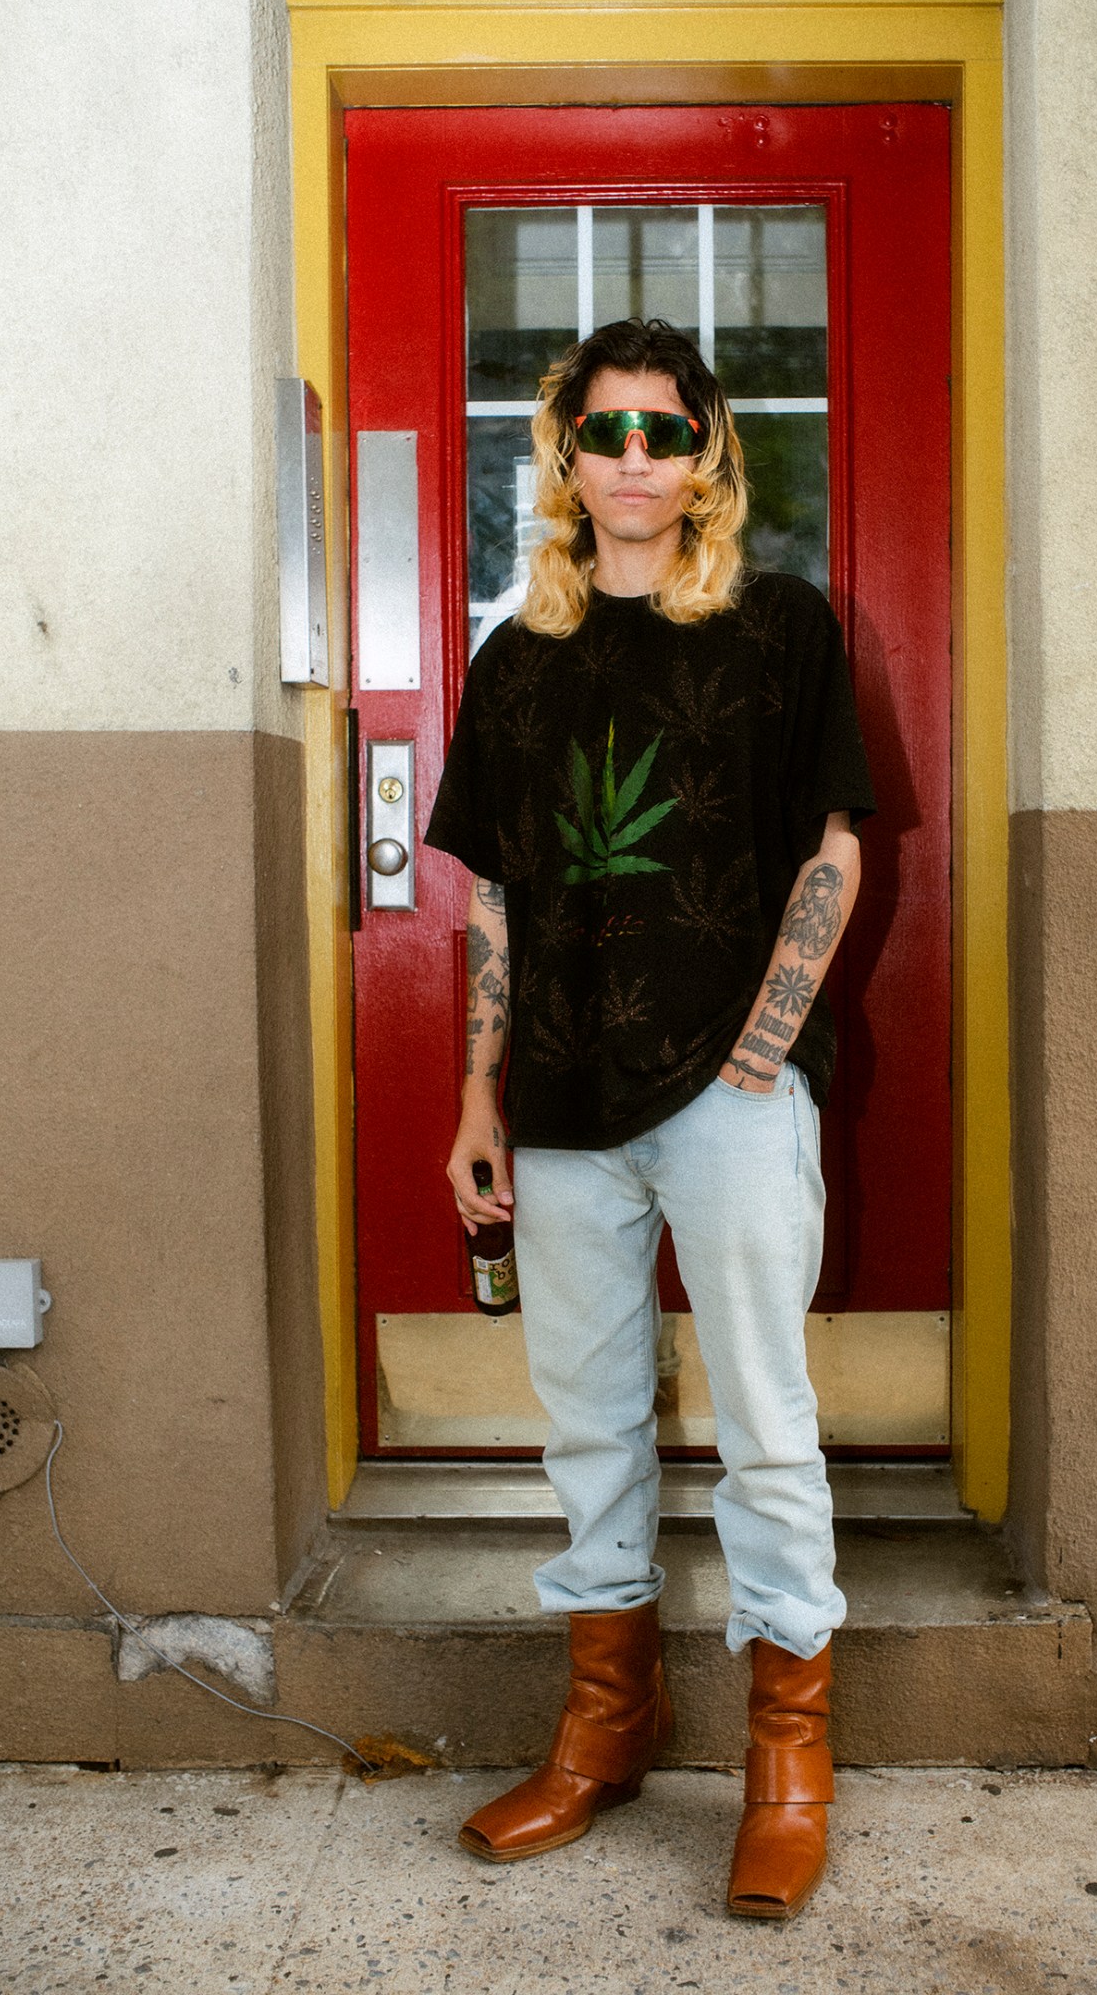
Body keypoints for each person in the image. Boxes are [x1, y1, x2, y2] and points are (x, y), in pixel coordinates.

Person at [424, 317, 875, 1920]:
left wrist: (765, 1045)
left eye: (663, 433)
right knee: (591, 1423)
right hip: (553, 1099)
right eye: (604, 431)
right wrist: (479, 1087)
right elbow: (494, 895)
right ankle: (608, 1728)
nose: (633, 459)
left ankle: (790, 1762)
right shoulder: (516, 657)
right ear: (566, 455)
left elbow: (834, 849)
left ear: (708, 456)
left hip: (731, 1094)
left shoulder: (777, 628)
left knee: (765, 1420)